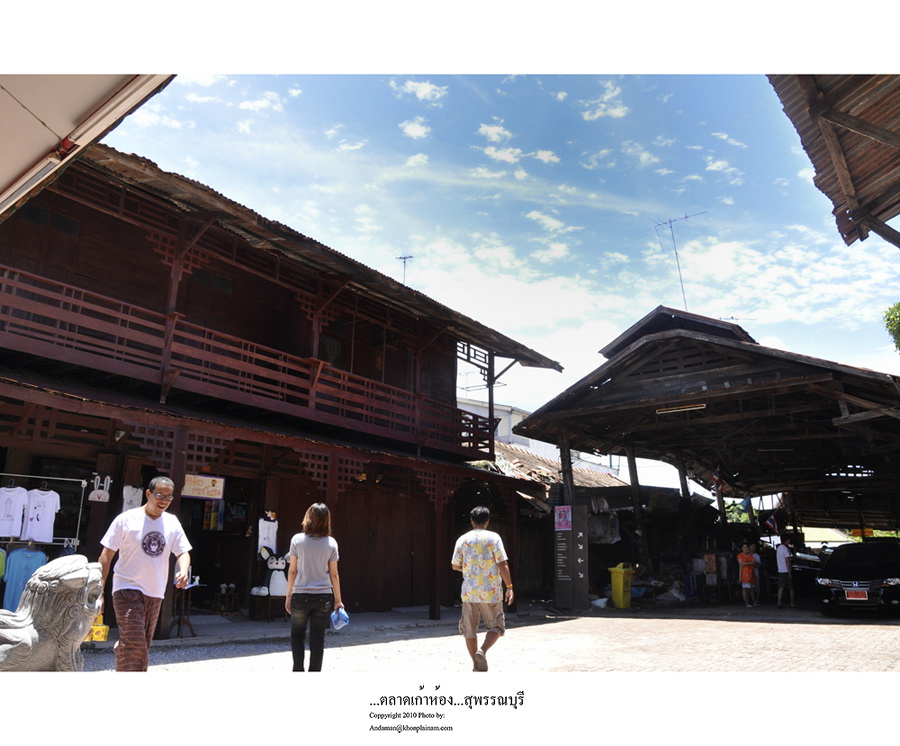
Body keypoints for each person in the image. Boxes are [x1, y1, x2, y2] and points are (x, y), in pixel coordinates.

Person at [97, 476, 191, 671]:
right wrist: (98, 591)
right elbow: (106, 556)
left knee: (142, 643)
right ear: (148, 494)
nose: (164, 500)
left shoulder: (172, 522)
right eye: (159, 495)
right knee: (136, 642)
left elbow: (183, 552)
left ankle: (124, 652)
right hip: (126, 587)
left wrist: (183, 570)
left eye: (169, 497)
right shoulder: (125, 519)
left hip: (155, 591)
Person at [451, 505, 514, 672]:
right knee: (497, 626)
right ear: (487, 521)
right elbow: (502, 563)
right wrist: (509, 586)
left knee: (469, 630)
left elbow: (455, 565)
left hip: (469, 592)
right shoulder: (494, 538)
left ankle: (475, 664)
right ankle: (483, 650)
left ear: (471, 521)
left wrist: (469, 569)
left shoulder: (463, 539)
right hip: (490, 591)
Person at [284, 502, 343, 672]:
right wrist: (338, 600)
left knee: (297, 636)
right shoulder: (331, 543)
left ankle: (298, 671)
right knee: (318, 640)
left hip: (300, 595)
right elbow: (334, 574)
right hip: (324, 597)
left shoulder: (297, 540)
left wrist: (288, 595)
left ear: (308, 517)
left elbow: (292, 571)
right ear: (327, 520)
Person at [776, 534, 795, 608]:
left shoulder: (779, 548)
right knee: (791, 588)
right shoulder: (786, 549)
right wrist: (789, 572)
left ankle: (779, 602)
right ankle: (792, 603)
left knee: (781, 587)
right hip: (786, 570)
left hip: (780, 570)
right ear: (786, 540)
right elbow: (787, 561)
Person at [737, 542, 757, 608]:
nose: (745, 549)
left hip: (751, 573)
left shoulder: (750, 555)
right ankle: (747, 603)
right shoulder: (740, 556)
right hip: (744, 574)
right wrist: (740, 577)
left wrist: (746, 563)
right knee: (745, 589)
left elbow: (754, 563)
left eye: (746, 547)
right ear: (742, 548)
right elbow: (741, 565)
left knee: (752, 589)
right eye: (744, 548)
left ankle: (754, 602)